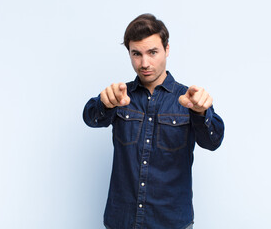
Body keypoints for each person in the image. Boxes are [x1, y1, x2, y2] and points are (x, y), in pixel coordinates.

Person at [83, 13, 225, 229]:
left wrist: (201, 113)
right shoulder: (120, 96)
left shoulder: (189, 99)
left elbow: (212, 141)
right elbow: (91, 118)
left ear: (167, 50)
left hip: (171, 222)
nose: (144, 63)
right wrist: (105, 103)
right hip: (122, 221)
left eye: (153, 52)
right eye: (136, 54)